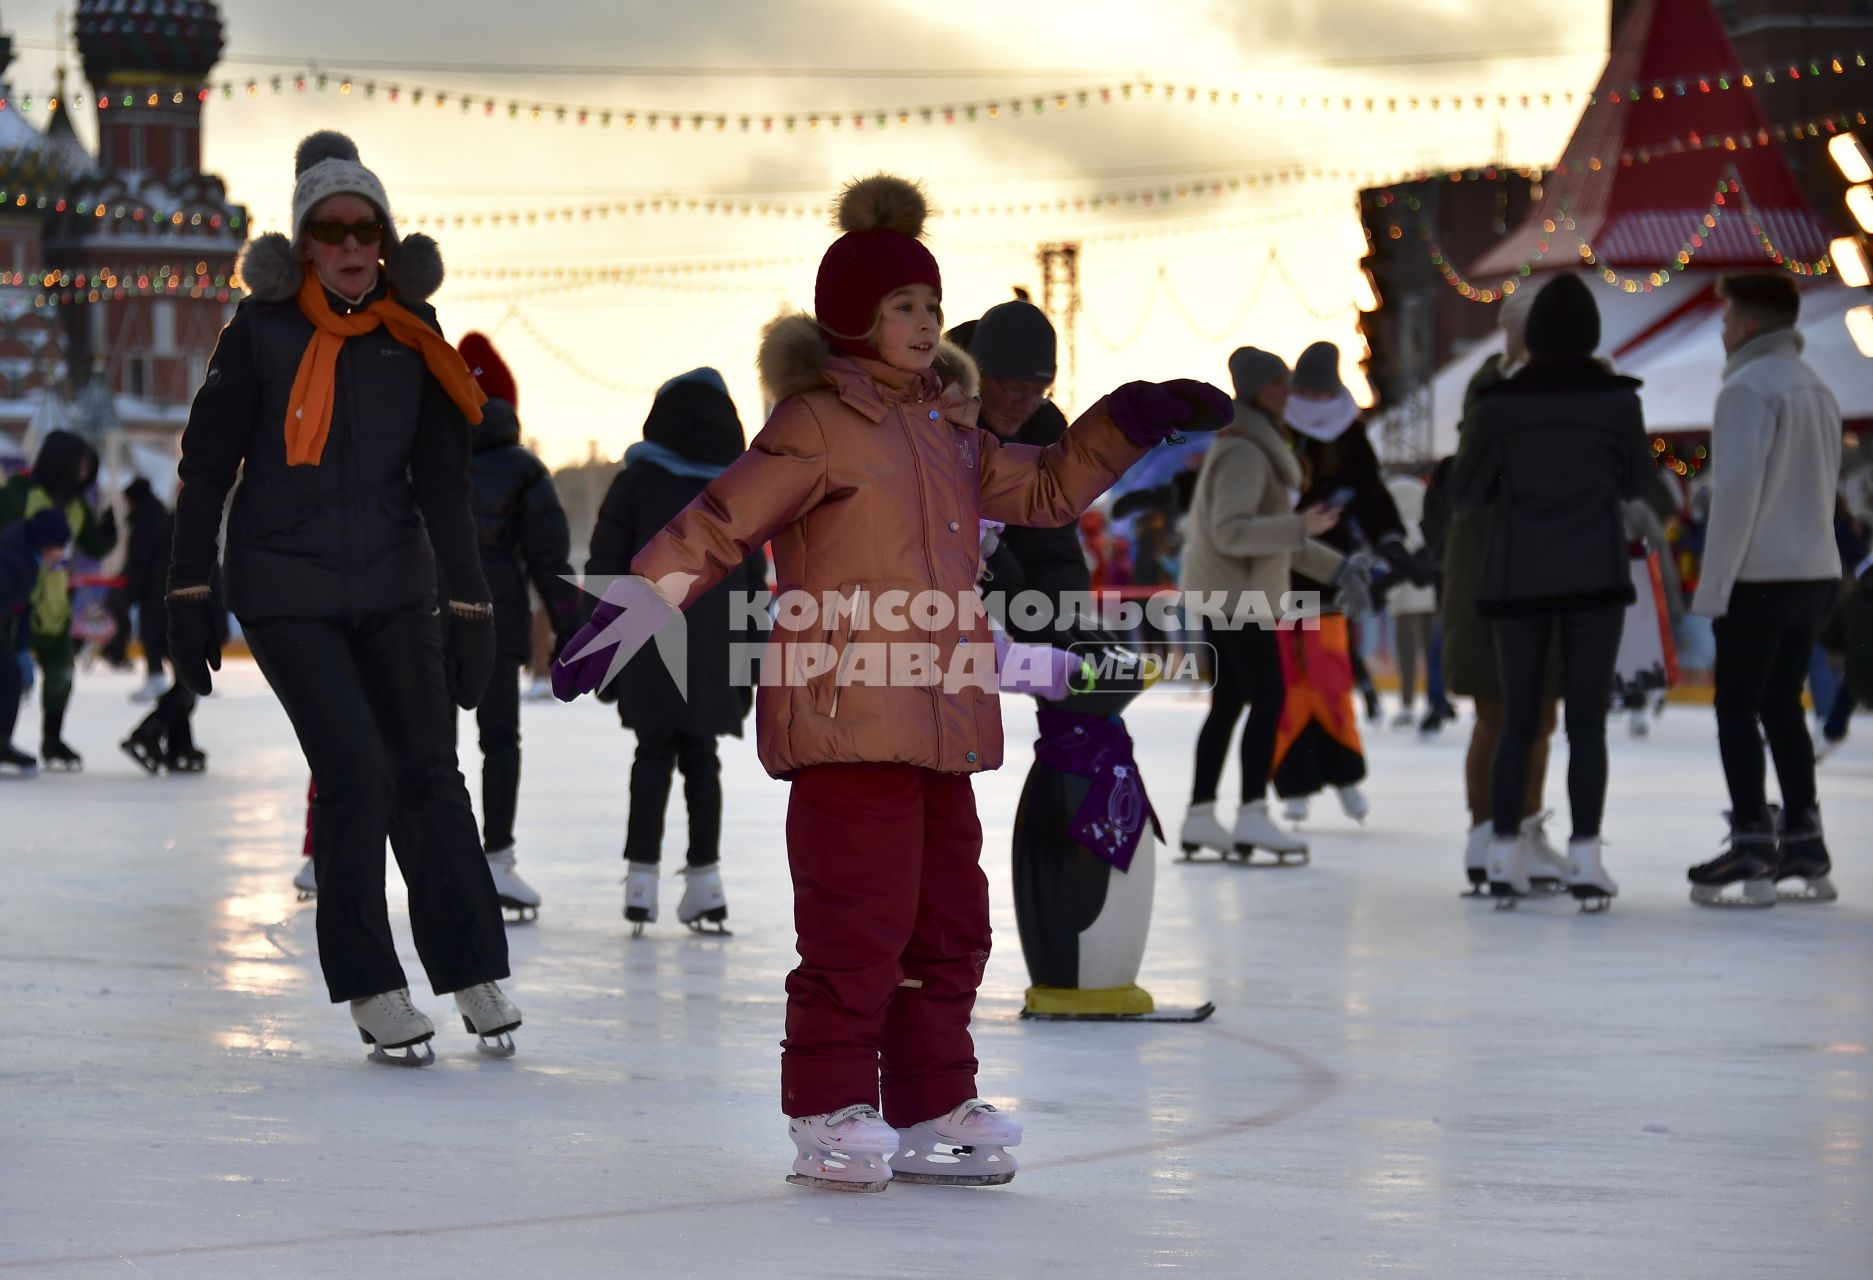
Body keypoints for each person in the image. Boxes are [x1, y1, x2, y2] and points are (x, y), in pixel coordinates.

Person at [552, 174, 1227, 1190]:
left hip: (942, 716)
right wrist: (626, 613)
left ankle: (927, 1101)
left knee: (949, 919)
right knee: (856, 919)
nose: (924, 322)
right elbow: (718, 525)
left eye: (931, 306)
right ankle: (828, 1106)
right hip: (845, 711)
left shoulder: (951, 439)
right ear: (854, 317)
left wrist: (1126, 419)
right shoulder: (815, 424)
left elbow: (1045, 489)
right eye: (904, 305)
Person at [165, 130, 521, 1063]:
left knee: (430, 774)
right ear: (305, 243)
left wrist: (472, 607)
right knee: (358, 772)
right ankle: (371, 982)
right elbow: (204, 469)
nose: (353, 245)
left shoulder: (415, 333)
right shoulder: (261, 333)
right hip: (287, 593)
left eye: (367, 228)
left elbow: (445, 485)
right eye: (332, 229)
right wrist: (188, 585)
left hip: (395, 587)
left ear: (386, 239)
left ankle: (473, 967)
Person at [1453, 274, 1652, 910]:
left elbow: (1467, 492)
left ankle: (1507, 854)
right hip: (1595, 576)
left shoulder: (1500, 404)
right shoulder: (1618, 401)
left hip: (1518, 578)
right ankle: (1587, 856)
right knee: (1587, 725)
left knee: (1515, 720)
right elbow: (1638, 483)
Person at [586, 368, 764, 935]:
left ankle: (641, 881)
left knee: (653, 753)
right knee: (702, 758)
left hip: (644, 637)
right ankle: (706, 884)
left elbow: (605, 565)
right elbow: (753, 583)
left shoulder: (635, 483)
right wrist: (747, 664)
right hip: (713, 649)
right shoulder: (736, 494)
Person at [1685, 274, 1843, 908]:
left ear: (1748, 327)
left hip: (1760, 576)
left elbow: (1738, 499)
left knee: (1737, 709)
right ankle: (1804, 838)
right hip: (1814, 571)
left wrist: (1713, 588)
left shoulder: (1746, 389)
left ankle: (1753, 834)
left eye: (1727, 321)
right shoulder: (1817, 387)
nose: (1723, 332)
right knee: (1782, 705)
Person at [1178, 347, 1344, 864]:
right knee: (1268, 699)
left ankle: (1202, 814)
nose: (1287, 390)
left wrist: (1336, 567)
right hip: (1235, 598)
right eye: (1277, 383)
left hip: (1228, 593)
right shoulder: (1247, 450)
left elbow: (1266, 534)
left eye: (1286, 381)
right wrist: (1302, 526)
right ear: (1253, 391)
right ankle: (1251, 813)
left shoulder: (1252, 442)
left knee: (1229, 704)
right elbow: (1232, 531)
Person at [1439, 286, 1568, 893]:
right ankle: (1494, 830)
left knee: (1528, 711)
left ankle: (1513, 830)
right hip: (1498, 573)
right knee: (1505, 710)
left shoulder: (1511, 389)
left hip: (1519, 569)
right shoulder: (1498, 394)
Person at [452, 330, 579, 920]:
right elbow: (548, 562)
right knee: (498, 741)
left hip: (424, 619)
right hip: (496, 622)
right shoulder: (524, 470)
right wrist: (573, 634)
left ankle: (440, 865)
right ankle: (497, 861)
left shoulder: (421, 458)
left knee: (426, 747)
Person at [1275, 341, 1416, 821]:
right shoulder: (1276, 426)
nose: (1312, 401)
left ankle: (1345, 777)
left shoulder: (1350, 432)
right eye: (1305, 391)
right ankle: (1294, 784)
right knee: (1287, 684)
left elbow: (1372, 494)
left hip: (1328, 575)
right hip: (1275, 572)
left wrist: (1390, 540)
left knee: (1331, 679)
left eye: (1320, 391)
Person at [0, 429, 117, 771]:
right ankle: (3, 739)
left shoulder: (78, 506)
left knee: (61, 672)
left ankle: (52, 738)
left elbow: (91, 546)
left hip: (54, 606)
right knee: (8, 676)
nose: (82, 474)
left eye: (87, 467)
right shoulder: (19, 494)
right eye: (78, 465)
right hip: (12, 601)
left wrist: (107, 535)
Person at [0, 508, 72, 775]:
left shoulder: (25, 554)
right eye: (58, 547)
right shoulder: (13, 558)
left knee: (10, 677)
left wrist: (20, 648)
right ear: (46, 542)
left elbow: (21, 606)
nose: (60, 554)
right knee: (8, 677)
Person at [1383, 471, 1438, 732]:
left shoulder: (1396, 533)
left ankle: (1408, 704)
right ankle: (1434, 701)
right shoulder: (1428, 526)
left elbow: (1393, 569)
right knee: (1433, 655)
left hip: (1405, 604)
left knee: (1407, 656)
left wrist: (1390, 599)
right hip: (1431, 600)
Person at [120, 477, 172, 703]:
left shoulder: (145, 521)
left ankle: (157, 677)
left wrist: (131, 587)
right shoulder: (157, 515)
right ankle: (168, 679)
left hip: (153, 587)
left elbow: (141, 558)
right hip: (162, 584)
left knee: (152, 634)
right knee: (158, 634)